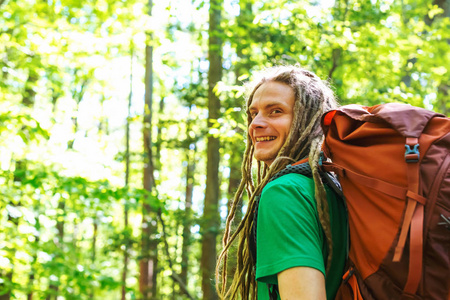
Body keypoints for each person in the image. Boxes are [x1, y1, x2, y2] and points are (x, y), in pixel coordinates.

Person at [215, 65, 348, 300]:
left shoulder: (285, 192)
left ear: (311, 121)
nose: (255, 123)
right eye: (253, 113)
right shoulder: (332, 187)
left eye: (275, 111)